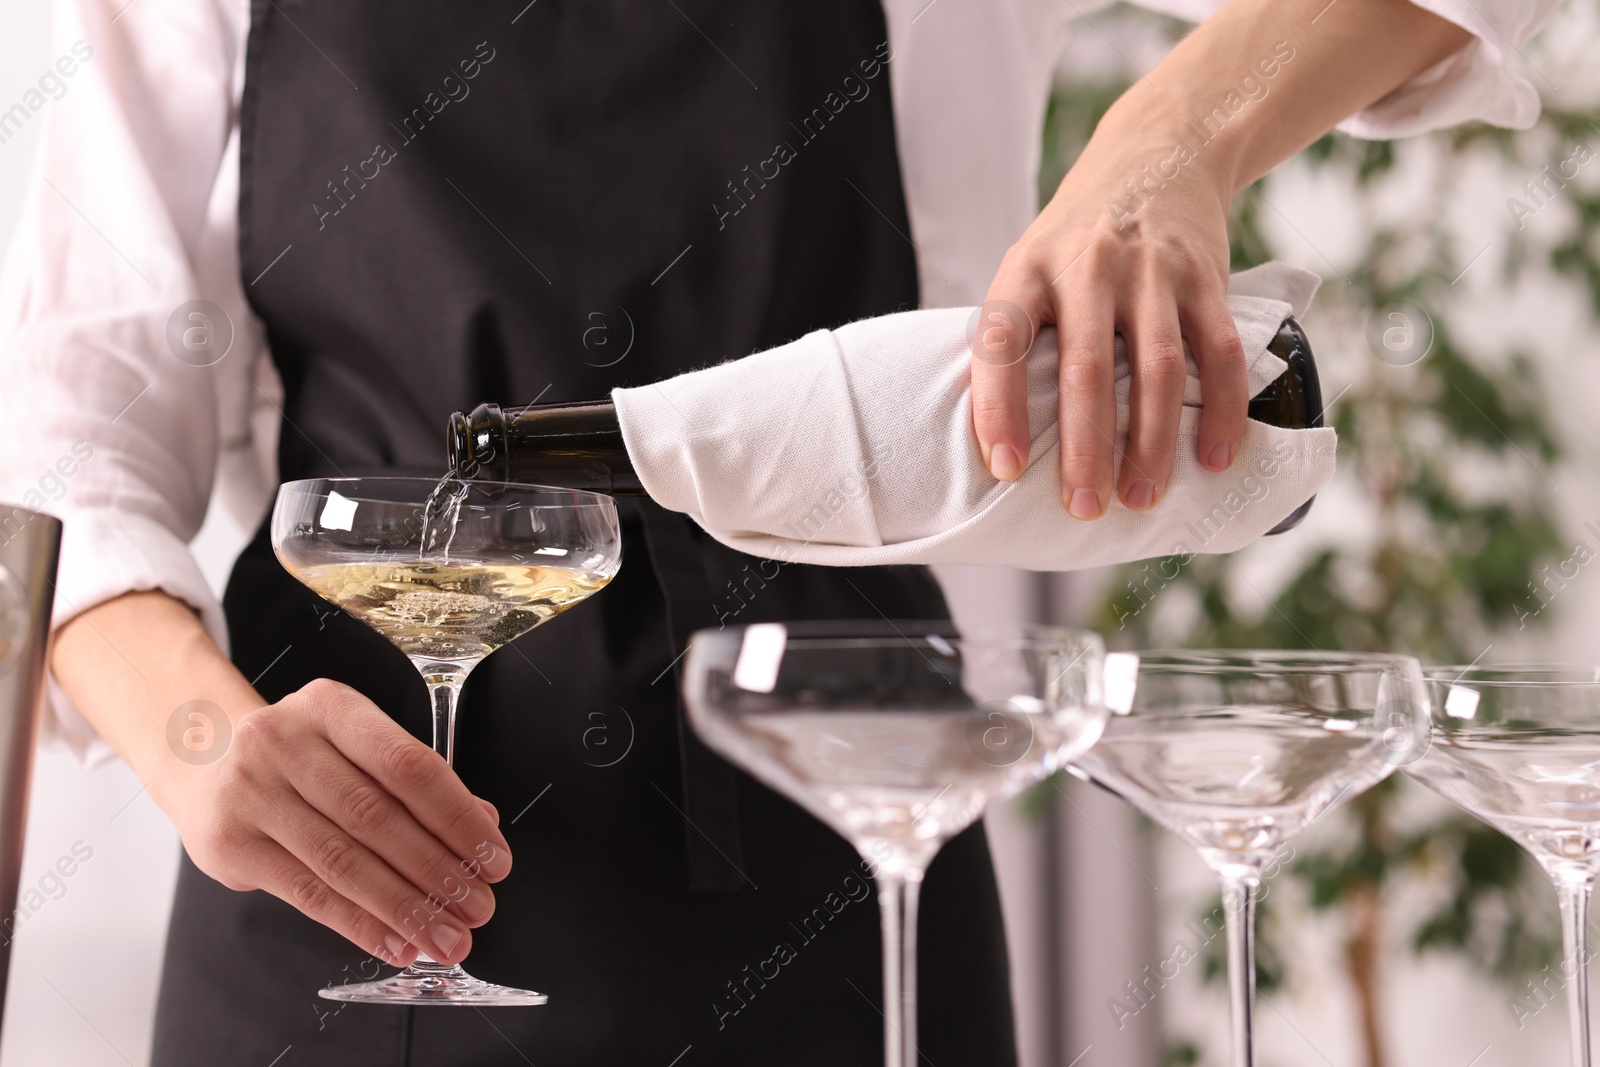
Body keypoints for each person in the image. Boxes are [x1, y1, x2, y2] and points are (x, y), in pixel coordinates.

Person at [0, 0, 1547, 1063]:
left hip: (848, 837)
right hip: (321, 863)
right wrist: (200, 740)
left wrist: (1174, 136)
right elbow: (70, 432)